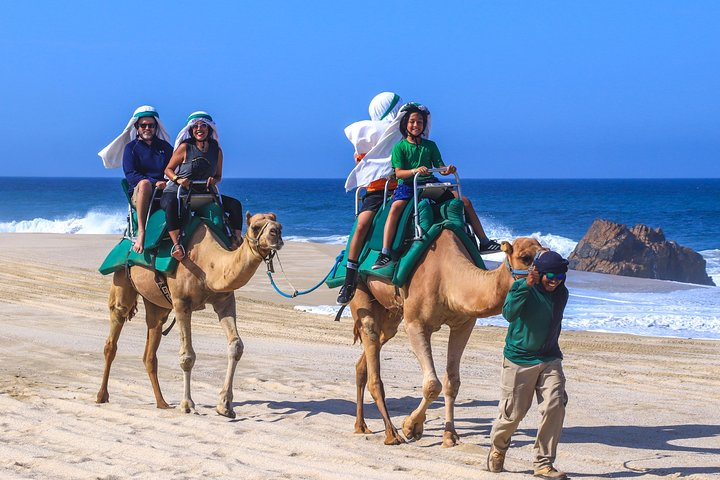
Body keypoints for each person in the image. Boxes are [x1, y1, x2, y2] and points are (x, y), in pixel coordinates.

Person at [371, 103, 500, 270]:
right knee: (395, 208)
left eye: (419, 122)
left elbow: (440, 166)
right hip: (409, 185)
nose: (416, 125)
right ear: (405, 124)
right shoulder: (400, 147)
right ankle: (385, 252)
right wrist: (414, 170)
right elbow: (399, 173)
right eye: (412, 122)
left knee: (465, 201)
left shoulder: (430, 146)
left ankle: (484, 242)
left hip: (429, 183)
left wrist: (448, 170)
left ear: (424, 125)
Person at [487, 250, 570, 480]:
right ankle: (498, 448)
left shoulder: (562, 293)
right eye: (550, 275)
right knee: (512, 415)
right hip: (519, 359)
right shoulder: (522, 287)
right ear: (539, 272)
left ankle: (544, 463)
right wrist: (526, 286)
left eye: (560, 276)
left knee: (555, 404)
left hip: (549, 358)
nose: (555, 280)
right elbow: (509, 313)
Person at [336, 92, 403, 305]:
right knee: (362, 224)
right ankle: (350, 277)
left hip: (408, 186)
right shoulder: (368, 137)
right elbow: (366, 168)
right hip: (378, 192)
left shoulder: (404, 131)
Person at [161, 111, 244, 260]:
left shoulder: (216, 150)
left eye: (203, 125)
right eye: (195, 126)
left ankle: (235, 238)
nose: (199, 129)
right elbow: (167, 170)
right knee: (171, 204)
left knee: (235, 205)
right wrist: (178, 179)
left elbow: (218, 176)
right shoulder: (185, 147)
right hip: (178, 192)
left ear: (209, 129)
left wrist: (214, 181)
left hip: (203, 195)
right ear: (191, 130)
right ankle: (176, 245)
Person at [98, 105, 173, 254]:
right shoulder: (131, 148)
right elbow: (131, 175)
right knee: (144, 184)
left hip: (163, 191)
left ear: (156, 127)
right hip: (140, 193)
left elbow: (173, 168)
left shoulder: (165, 147)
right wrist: (154, 182)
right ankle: (141, 232)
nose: (147, 128)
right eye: (143, 125)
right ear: (137, 127)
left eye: (150, 125)